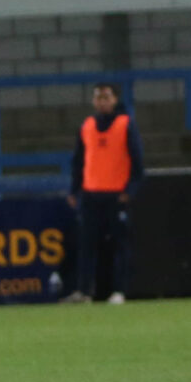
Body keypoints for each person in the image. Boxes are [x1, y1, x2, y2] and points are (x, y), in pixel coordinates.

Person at [66, 84, 142, 304]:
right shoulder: (87, 126)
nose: (102, 102)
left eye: (106, 97)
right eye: (98, 97)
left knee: (119, 245)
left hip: (116, 194)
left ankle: (119, 290)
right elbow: (79, 161)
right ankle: (84, 291)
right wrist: (74, 189)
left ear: (115, 99)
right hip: (91, 194)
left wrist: (130, 190)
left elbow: (138, 163)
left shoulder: (125, 124)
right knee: (86, 246)